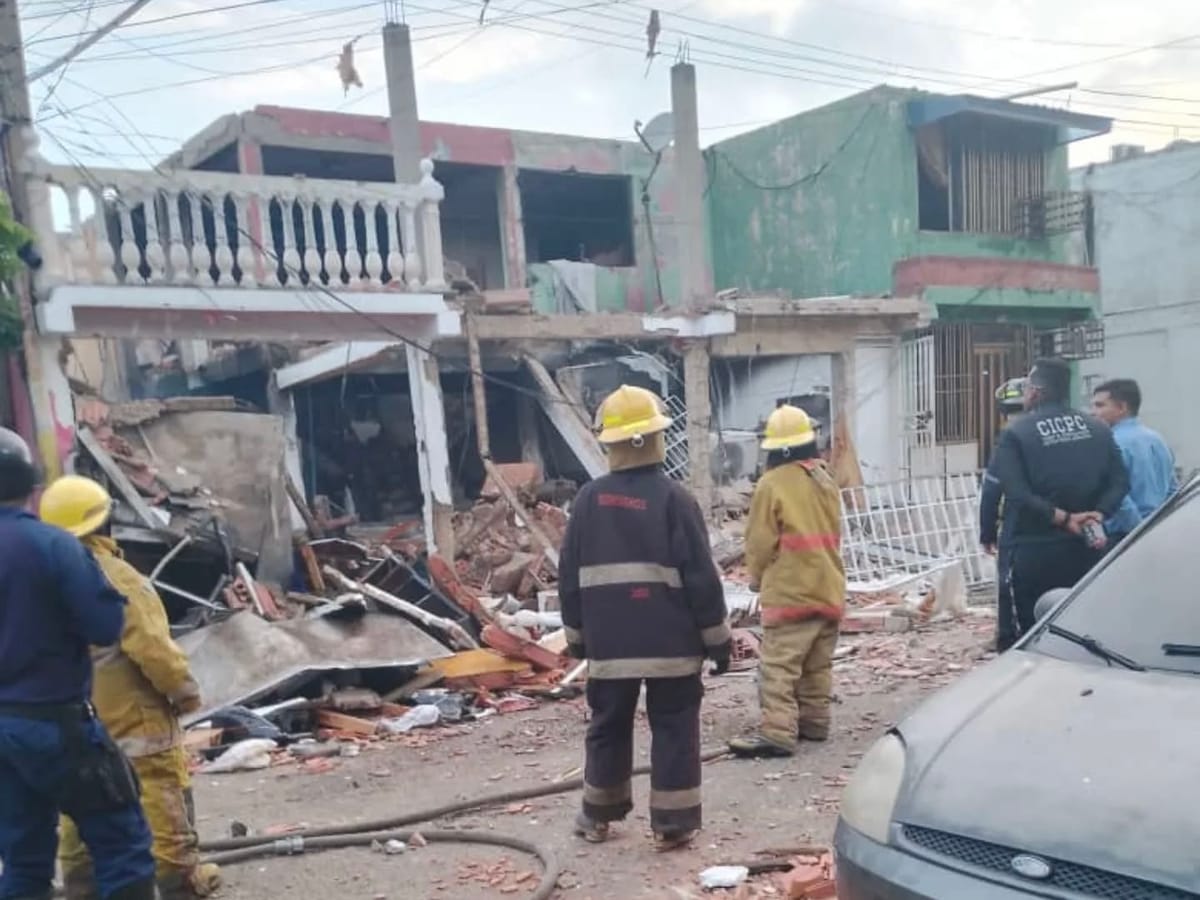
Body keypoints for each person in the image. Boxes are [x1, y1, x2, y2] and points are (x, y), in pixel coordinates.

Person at [559, 385, 730, 852]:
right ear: (656, 438)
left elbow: (569, 579)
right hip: (672, 647)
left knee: (607, 725)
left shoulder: (587, 502)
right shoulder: (676, 500)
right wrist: (718, 640)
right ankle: (673, 823)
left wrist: (577, 639)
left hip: (609, 648)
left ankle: (597, 815)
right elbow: (701, 578)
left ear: (609, 444)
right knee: (675, 727)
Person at [39, 476, 221, 900]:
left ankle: (81, 883)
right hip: (134, 719)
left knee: (79, 802)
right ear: (105, 524)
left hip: (69, 716)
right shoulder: (118, 578)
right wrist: (185, 694)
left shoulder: (39, 580)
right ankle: (175, 879)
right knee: (158, 792)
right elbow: (154, 650)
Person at [0, 429, 156, 900]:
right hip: (55, 724)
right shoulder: (52, 547)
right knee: (122, 843)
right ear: (30, 483)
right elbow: (105, 626)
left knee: (24, 859)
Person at [728, 405, 845, 759]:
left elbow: (760, 542)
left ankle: (777, 732)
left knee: (779, 666)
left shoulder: (771, 484)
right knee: (816, 664)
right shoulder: (825, 478)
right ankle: (815, 722)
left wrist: (757, 577)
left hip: (792, 591)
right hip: (829, 587)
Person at [990, 359, 1130, 634]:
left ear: (1035, 392)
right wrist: (1099, 513)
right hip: (1087, 548)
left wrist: (1062, 518)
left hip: (1034, 549)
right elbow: (1120, 481)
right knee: (1083, 629)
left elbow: (1016, 492)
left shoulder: (1016, 434)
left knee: (1029, 636)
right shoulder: (1097, 428)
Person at [1091, 378, 1178, 543]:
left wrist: (1138, 532)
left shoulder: (1110, 444)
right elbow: (1173, 490)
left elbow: (1118, 498)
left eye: (1100, 405)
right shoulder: (1157, 439)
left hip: (1126, 536)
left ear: (1122, 407)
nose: (1092, 412)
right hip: (1158, 529)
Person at [980, 378, 1025, 652]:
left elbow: (991, 491)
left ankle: (1008, 640)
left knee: (1009, 587)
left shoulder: (1008, 441)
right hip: (1061, 524)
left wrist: (987, 532)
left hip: (1017, 527)